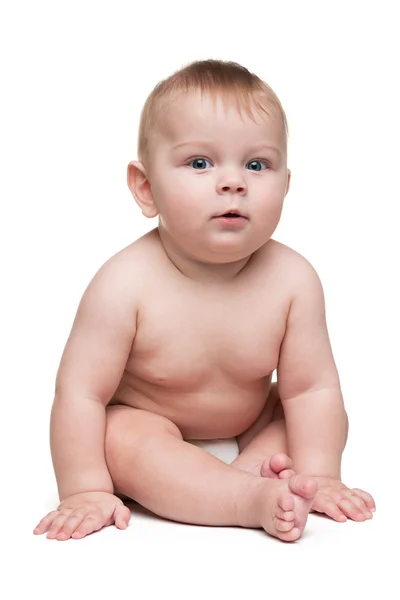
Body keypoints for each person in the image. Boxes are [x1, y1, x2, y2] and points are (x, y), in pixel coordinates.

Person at [33, 59, 375, 543]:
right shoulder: (123, 284)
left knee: (312, 412)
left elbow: (310, 389)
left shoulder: (294, 280)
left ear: (286, 187)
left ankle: (261, 472)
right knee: (117, 435)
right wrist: (83, 489)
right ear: (146, 188)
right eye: (200, 163)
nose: (233, 182)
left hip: (248, 426)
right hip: (154, 431)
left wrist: (321, 473)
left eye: (257, 165)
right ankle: (242, 498)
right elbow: (80, 394)